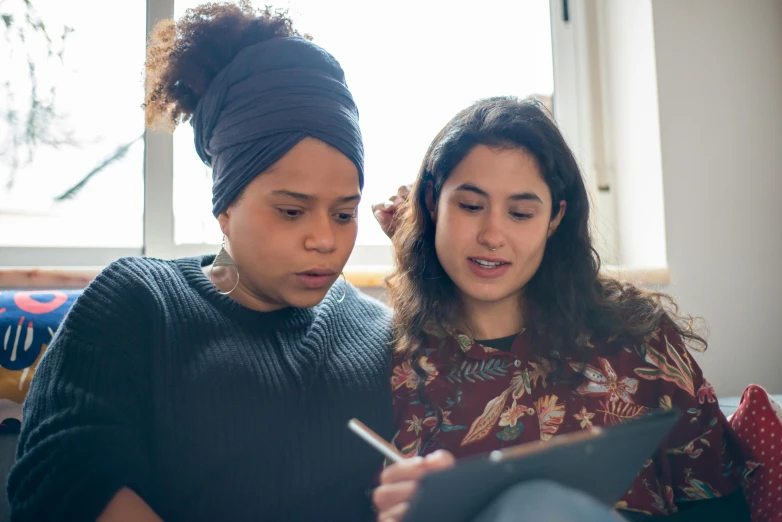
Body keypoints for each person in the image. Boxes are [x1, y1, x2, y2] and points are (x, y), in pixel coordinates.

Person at [7, 3, 394, 521]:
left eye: (344, 214)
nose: (325, 239)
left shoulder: (382, 334)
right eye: (291, 211)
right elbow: (63, 475)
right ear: (225, 206)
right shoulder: (139, 301)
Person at [371, 97, 756, 521]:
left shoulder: (639, 343)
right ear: (431, 201)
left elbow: (721, 507)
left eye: (520, 213)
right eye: (470, 207)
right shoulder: (389, 365)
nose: (492, 234)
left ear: (554, 219)